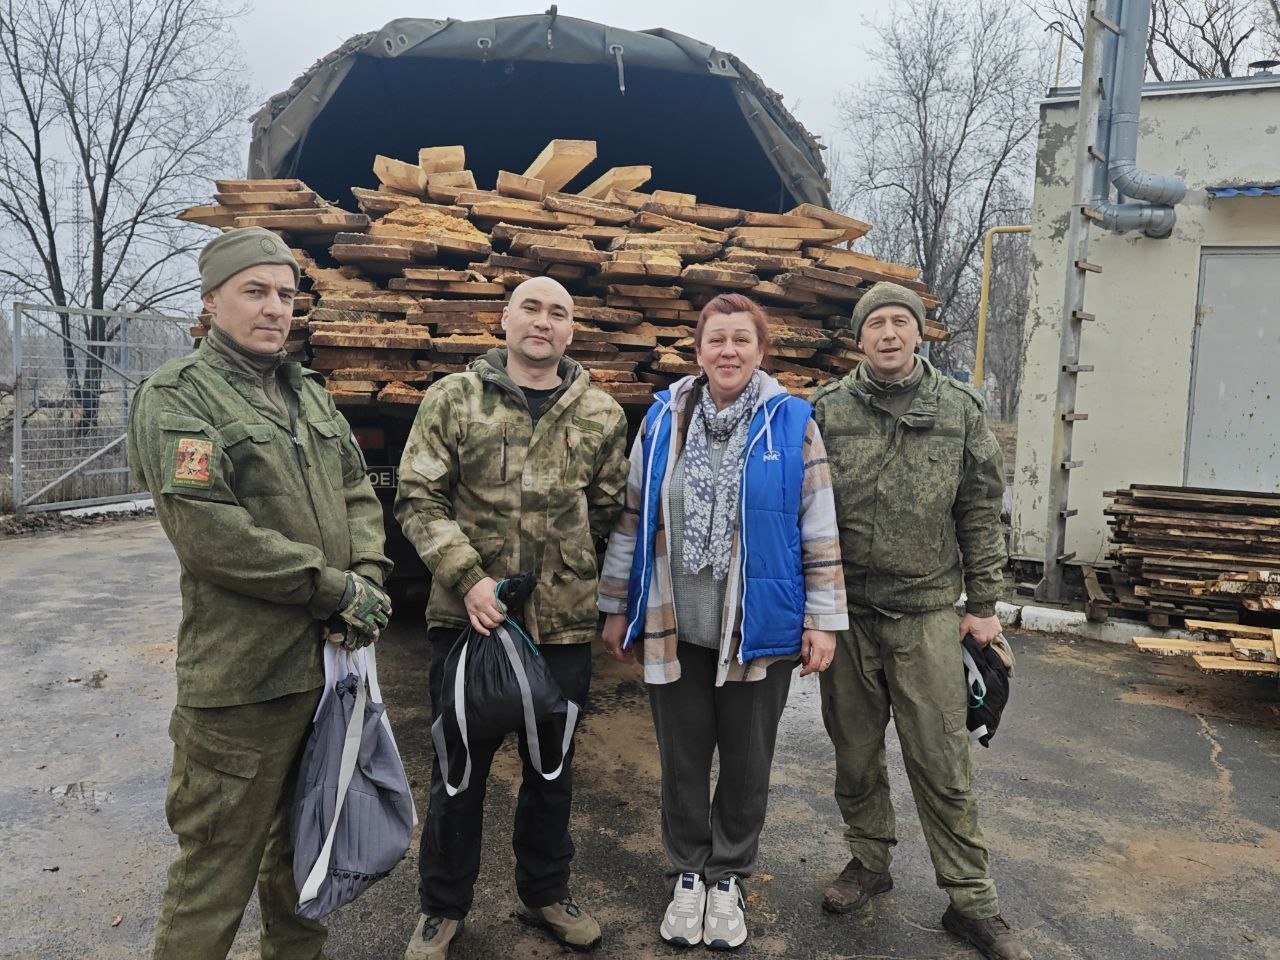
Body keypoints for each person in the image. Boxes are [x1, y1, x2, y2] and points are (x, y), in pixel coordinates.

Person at [127, 226, 392, 960]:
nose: (276, 307)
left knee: (306, 862)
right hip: (243, 682)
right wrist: (331, 589)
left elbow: (358, 493)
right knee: (214, 876)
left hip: (326, 674)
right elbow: (209, 532)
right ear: (211, 300)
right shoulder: (178, 396)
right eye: (255, 291)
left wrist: (369, 576)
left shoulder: (310, 394)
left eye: (285, 293)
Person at [597, 293, 848, 951]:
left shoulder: (792, 424)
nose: (728, 350)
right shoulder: (662, 420)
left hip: (756, 626)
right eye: (717, 339)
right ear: (699, 350)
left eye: (741, 339)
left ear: (761, 351)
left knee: (745, 762)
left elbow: (818, 524)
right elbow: (633, 516)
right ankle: (687, 873)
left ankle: (728, 876)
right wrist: (617, 604)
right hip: (675, 622)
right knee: (683, 761)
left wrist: (823, 620)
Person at [394, 276, 628, 960]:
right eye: (531, 307)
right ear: (505, 318)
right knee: (458, 773)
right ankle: (442, 908)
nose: (543, 321)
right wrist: (469, 579)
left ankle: (546, 892)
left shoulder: (601, 413)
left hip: (561, 630)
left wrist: (568, 573)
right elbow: (417, 498)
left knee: (552, 773)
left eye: (558, 312)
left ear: (571, 330)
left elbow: (607, 511)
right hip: (471, 624)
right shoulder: (454, 398)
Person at [810, 282, 1030, 960]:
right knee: (854, 752)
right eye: (875, 323)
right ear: (859, 337)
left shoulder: (958, 409)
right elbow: (802, 511)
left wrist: (984, 607)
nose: (888, 333)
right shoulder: (827, 410)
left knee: (941, 761)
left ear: (918, 333)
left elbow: (980, 511)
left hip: (927, 612)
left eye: (900, 322)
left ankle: (971, 901)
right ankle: (868, 861)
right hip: (848, 614)